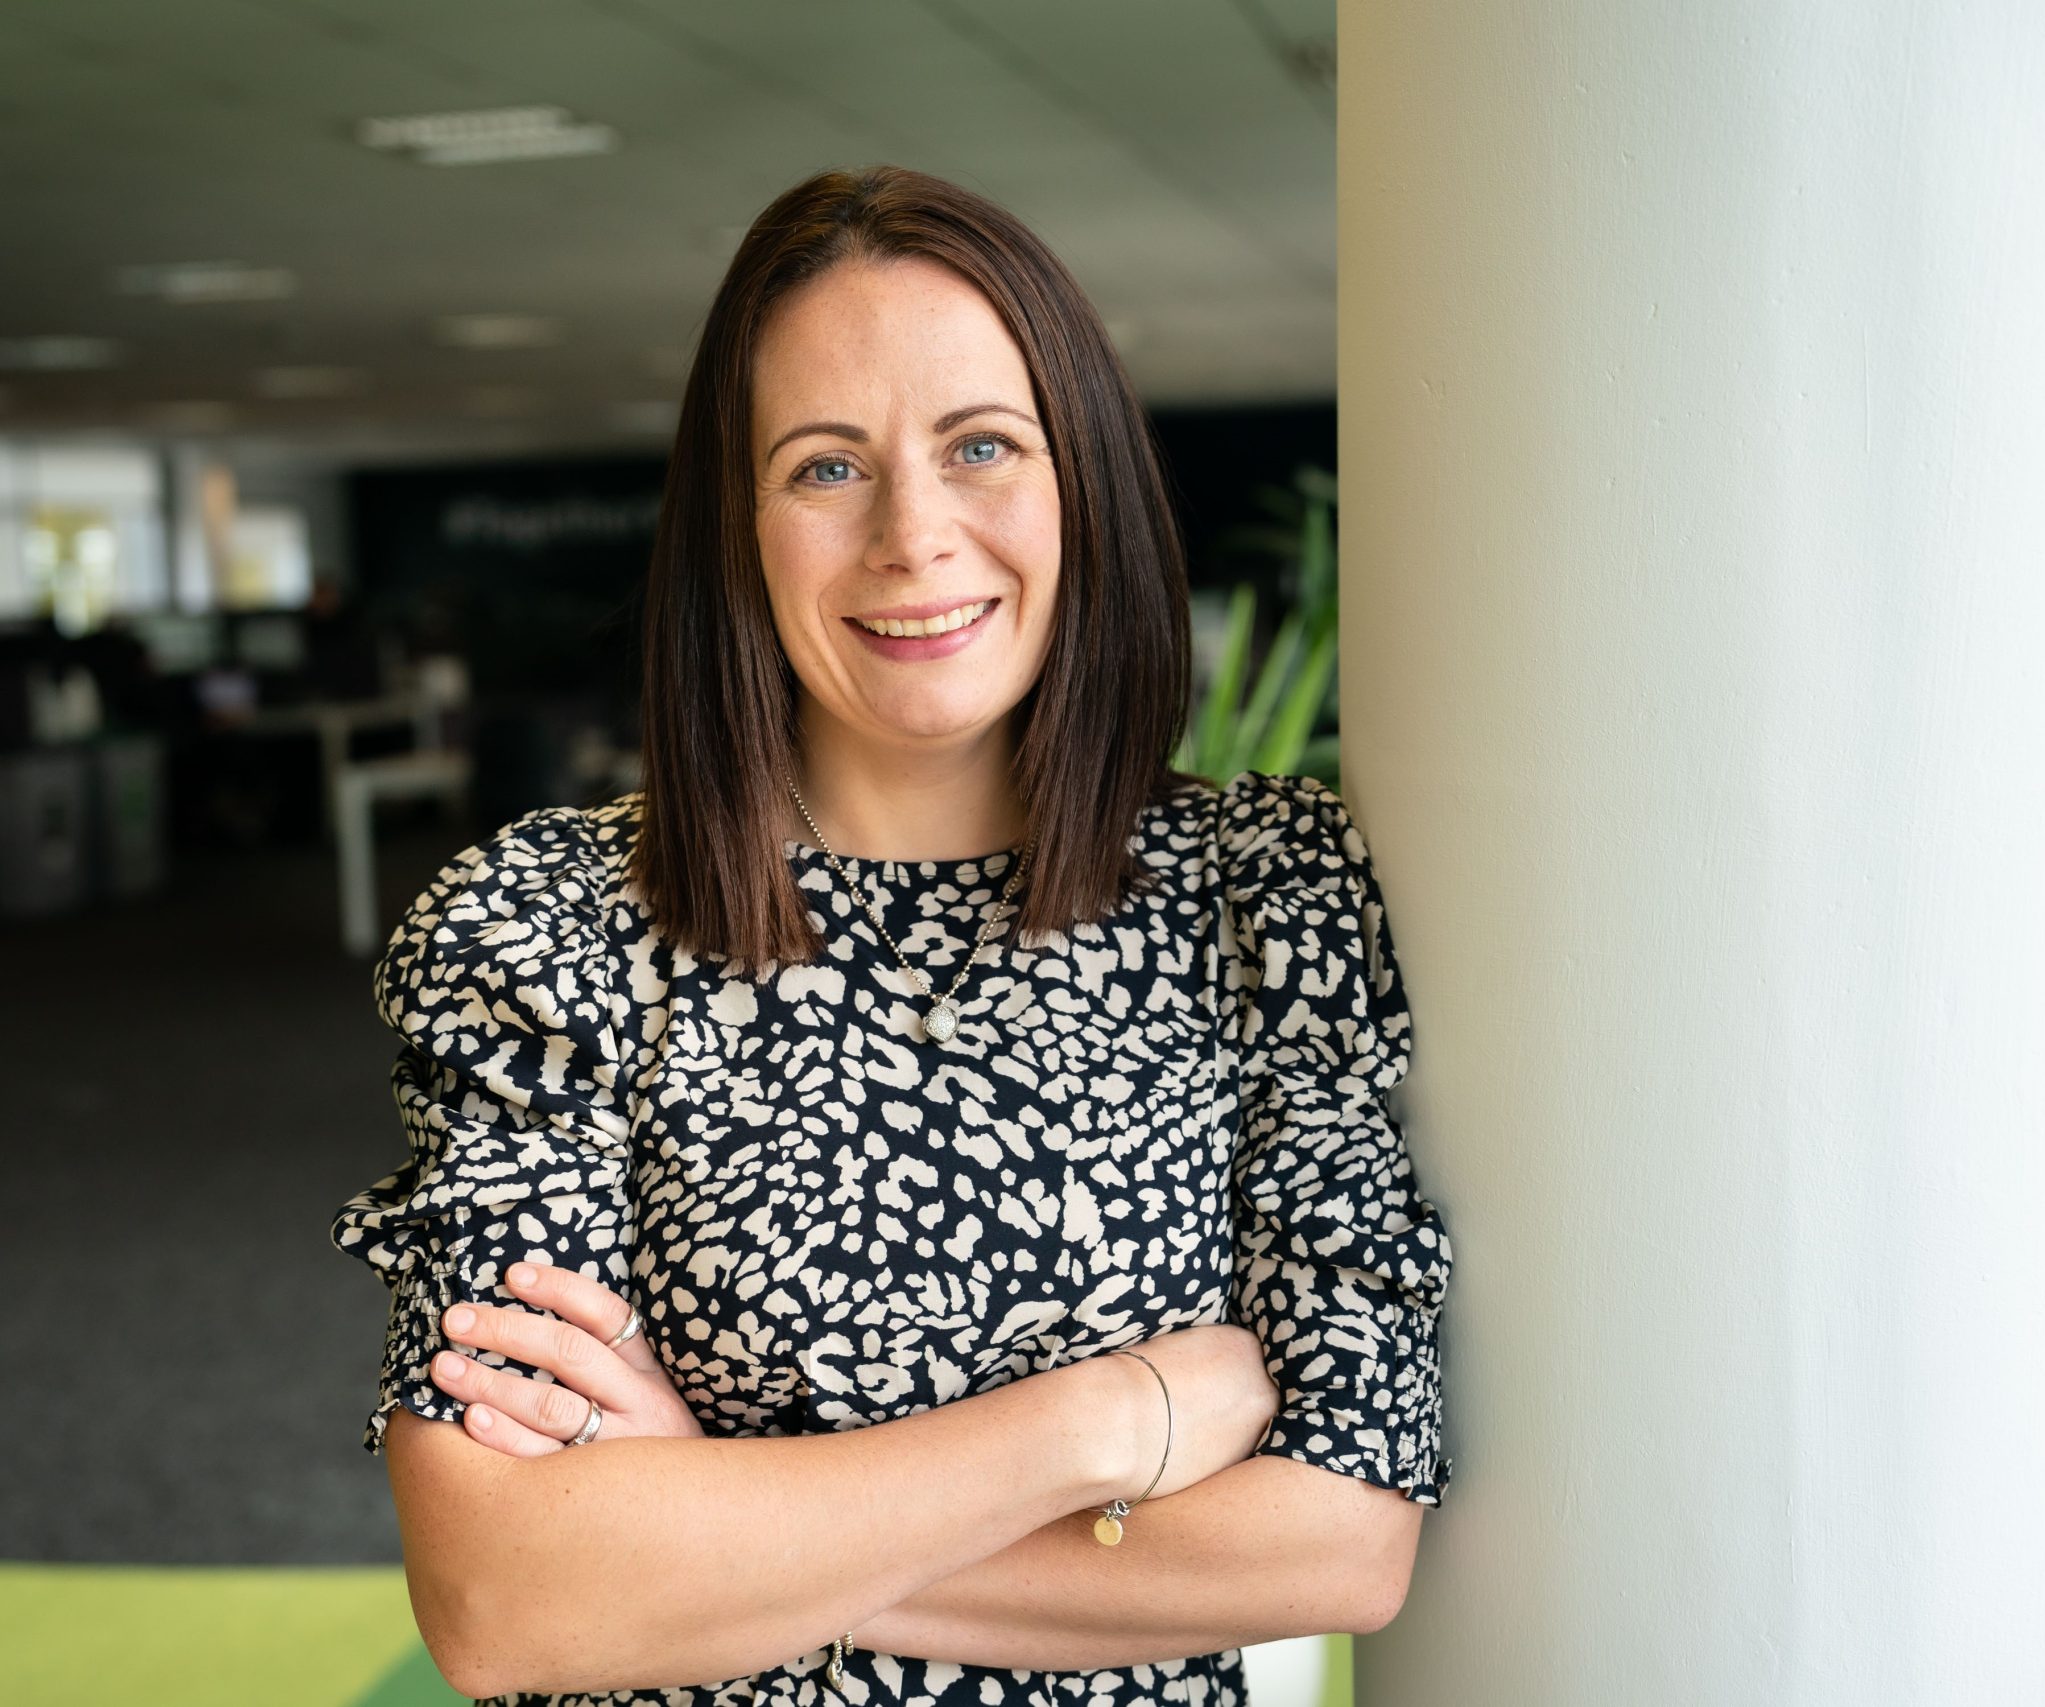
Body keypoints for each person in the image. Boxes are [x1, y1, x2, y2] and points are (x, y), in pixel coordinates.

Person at [330, 164, 1454, 1707]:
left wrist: (709, 1517)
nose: (914, 537)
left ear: (1086, 485)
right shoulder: (547, 936)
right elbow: (508, 1596)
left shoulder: (1260, 899)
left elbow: (1341, 1543)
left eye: (983, 447)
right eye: (824, 469)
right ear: (741, 525)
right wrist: (1099, 1428)